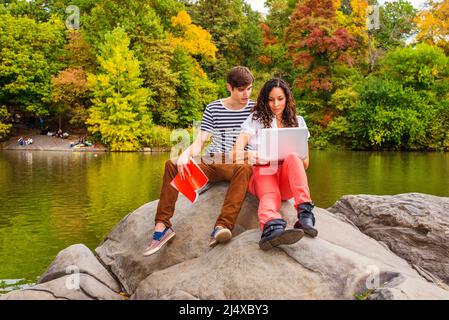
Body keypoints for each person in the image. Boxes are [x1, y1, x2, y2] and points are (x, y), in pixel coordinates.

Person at [143, 66, 255, 256]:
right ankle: (162, 227)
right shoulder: (214, 108)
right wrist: (185, 155)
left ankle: (221, 227)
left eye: (250, 88)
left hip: (237, 163)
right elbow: (200, 141)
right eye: (241, 89)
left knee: (244, 168)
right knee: (172, 164)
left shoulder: (255, 108)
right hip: (212, 160)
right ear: (230, 87)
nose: (246, 94)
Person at [233, 78, 318, 250]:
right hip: (263, 173)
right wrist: (251, 154)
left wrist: (287, 154)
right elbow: (234, 153)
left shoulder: (298, 121)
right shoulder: (255, 120)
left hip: (287, 181)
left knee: (294, 157)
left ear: (287, 99)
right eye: (270, 99)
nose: (275, 104)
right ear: (265, 100)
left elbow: (306, 163)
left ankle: (304, 214)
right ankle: (271, 226)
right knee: (270, 193)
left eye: (280, 99)